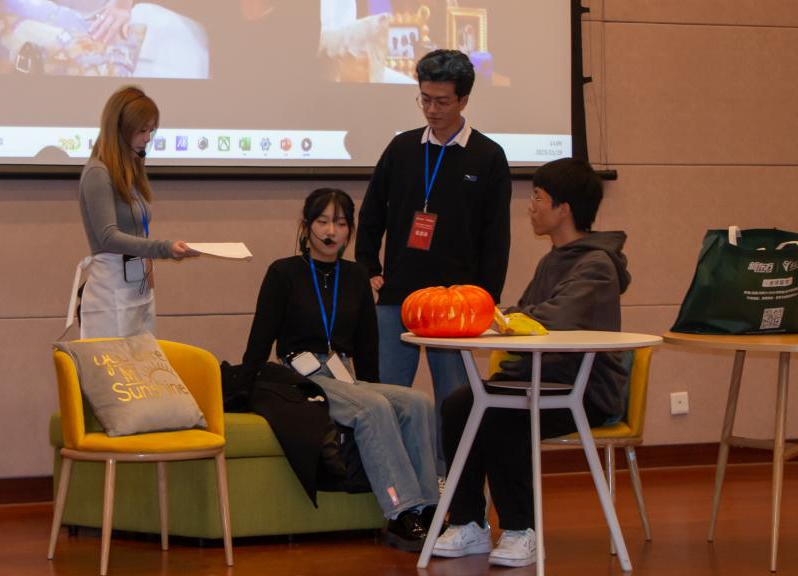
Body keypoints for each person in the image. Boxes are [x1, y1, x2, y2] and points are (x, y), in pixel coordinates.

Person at [432, 158, 631, 567]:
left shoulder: (597, 265)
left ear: (564, 209)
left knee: (503, 416)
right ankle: (469, 522)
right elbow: (525, 316)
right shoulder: (552, 260)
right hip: (537, 381)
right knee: (459, 405)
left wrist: (507, 319)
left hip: (582, 391)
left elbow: (551, 319)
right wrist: (504, 318)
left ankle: (522, 529)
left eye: (538, 198)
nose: (531, 206)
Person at [241, 188, 439, 552]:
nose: (331, 231)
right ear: (306, 226)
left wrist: (374, 387)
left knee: (417, 401)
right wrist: (243, 387)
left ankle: (430, 508)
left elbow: (367, 346)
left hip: (347, 376)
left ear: (350, 231)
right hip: (302, 377)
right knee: (372, 408)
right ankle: (401, 512)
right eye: (322, 221)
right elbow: (260, 340)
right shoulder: (283, 273)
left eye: (341, 223)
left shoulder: (356, 276)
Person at [355, 49, 512, 464]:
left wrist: (487, 297)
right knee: (387, 395)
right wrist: (368, 267)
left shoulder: (488, 156)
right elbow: (371, 213)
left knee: (454, 400)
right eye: (424, 99)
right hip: (399, 293)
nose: (431, 110)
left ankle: (451, 483)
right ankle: (395, 483)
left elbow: (496, 236)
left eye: (441, 101)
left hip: (457, 304)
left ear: (463, 100)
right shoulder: (402, 147)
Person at [77, 85, 197, 338]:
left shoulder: (130, 172)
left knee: (144, 358)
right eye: (142, 130)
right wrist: (164, 248)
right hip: (110, 291)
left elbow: (138, 232)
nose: (147, 138)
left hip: (137, 285)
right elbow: (108, 237)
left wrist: (149, 264)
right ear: (120, 130)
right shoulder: (98, 172)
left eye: (151, 130)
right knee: (114, 361)